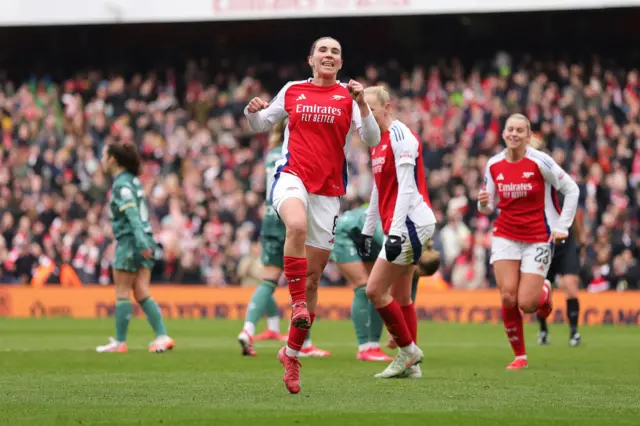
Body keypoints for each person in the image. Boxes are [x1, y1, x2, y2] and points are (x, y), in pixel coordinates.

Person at [244, 37, 381, 393]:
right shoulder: (292, 90)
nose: (329, 55)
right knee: (296, 225)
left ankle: (291, 353)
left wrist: (363, 103)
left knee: (315, 276)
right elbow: (260, 126)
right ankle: (299, 305)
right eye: (323, 50)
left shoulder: (348, 98)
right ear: (311, 59)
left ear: (340, 62)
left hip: (328, 192)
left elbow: (371, 137)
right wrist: (252, 111)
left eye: (335, 52)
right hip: (292, 176)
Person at [477, 114, 580, 370]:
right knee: (508, 296)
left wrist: (562, 226)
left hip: (537, 237)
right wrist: (483, 205)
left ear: (528, 134)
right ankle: (520, 355)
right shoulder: (493, 164)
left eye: (519, 131)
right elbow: (489, 207)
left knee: (528, 304)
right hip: (505, 234)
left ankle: (544, 292)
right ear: (503, 133)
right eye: (510, 129)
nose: (514, 134)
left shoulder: (540, 161)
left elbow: (572, 189)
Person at [358, 86, 436, 379]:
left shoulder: (401, 136)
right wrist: (368, 230)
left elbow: (405, 188)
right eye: (362, 110)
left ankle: (408, 352)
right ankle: (411, 367)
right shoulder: (376, 140)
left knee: (375, 290)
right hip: (402, 225)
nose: (365, 115)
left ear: (387, 106)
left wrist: (395, 233)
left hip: (412, 224)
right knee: (401, 297)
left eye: (371, 109)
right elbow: (381, 187)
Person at [237, 119, 330, 358]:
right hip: (291, 215)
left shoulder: (270, 155)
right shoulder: (296, 153)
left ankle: (248, 330)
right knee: (303, 280)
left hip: (270, 216)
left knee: (268, 280)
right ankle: (304, 343)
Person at [96, 143, 174, 353]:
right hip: (145, 238)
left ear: (113, 159)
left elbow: (132, 217)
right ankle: (162, 336)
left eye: (104, 155)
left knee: (122, 292)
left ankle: (120, 342)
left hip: (131, 241)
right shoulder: (134, 182)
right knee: (141, 292)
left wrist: (139, 243)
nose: (102, 159)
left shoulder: (122, 185)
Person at [528, 138, 582, 347]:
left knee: (570, 285)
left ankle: (574, 332)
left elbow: (575, 212)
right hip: (543, 241)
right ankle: (543, 330)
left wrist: (579, 239)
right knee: (541, 290)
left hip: (565, 241)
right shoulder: (533, 185)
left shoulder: (559, 179)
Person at [330, 205, 392, 362]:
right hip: (345, 234)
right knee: (363, 288)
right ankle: (364, 347)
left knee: (378, 290)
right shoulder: (386, 226)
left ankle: (374, 346)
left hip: (367, 236)